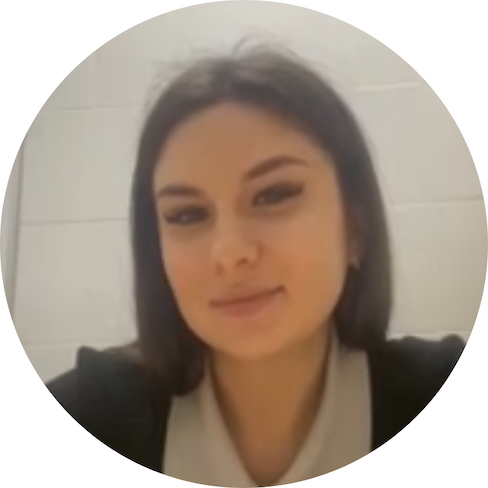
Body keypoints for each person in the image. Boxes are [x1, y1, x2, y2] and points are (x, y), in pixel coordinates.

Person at [46, 45, 464, 487]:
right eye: (186, 215)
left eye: (274, 195)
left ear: (356, 228)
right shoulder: (83, 419)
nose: (229, 252)